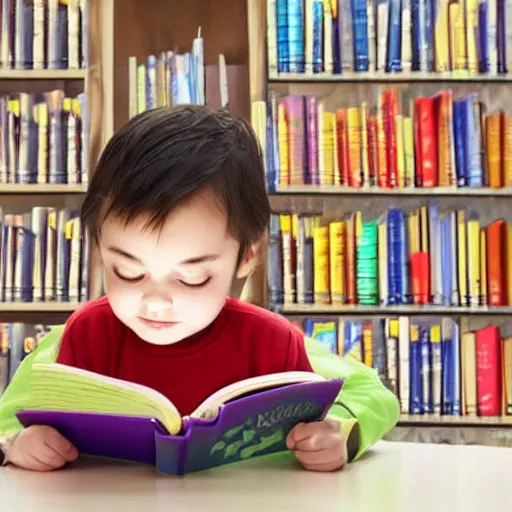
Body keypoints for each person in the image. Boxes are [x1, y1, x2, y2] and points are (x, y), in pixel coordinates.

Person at [0, 105, 399, 472]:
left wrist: (342, 434)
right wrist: (16, 445)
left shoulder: (273, 343)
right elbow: (8, 422)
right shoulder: (81, 336)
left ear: (246, 256)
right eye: (126, 271)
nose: (156, 303)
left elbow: (371, 395)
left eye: (193, 277)